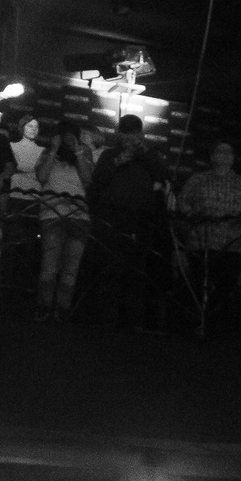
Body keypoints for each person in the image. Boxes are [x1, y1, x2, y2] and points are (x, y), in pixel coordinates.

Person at [90, 115, 171, 326]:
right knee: (110, 269)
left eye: (134, 133)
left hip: (141, 220)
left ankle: (133, 322)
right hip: (111, 219)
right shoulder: (109, 155)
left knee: (137, 272)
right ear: (118, 134)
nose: (129, 137)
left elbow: (163, 175)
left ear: (141, 135)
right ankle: (105, 321)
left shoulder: (149, 155)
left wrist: (144, 152)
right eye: (126, 132)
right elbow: (96, 184)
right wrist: (117, 163)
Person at [176, 141, 241, 329]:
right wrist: (195, 216)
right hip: (202, 243)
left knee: (227, 290)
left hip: (233, 246)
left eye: (229, 152)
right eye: (220, 151)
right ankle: (194, 325)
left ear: (233, 158)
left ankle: (220, 329)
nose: (224, 155)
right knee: (197, 287)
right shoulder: (197, 180)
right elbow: (182, 203)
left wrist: (238, 221)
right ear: (211, 156)